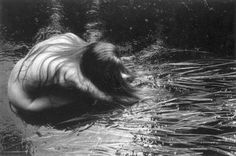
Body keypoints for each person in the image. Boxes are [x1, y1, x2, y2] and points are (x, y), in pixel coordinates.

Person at [8, 33, 138, 113]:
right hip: (22, 100)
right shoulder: (70, 74)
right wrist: (131, 99)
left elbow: (100, 57)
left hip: (20, 68)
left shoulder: (72, 39)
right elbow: (101, 95)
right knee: (74, 97)